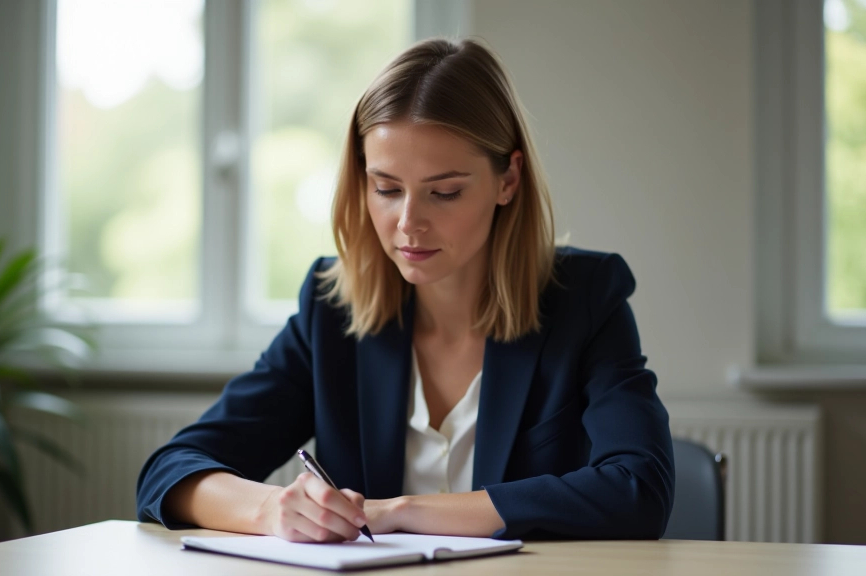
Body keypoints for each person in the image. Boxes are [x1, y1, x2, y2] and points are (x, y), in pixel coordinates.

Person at [136, 38, 674, 543]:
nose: (408, 223)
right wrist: (271, 509)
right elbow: (171, 471)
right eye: (387, 188)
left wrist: (401, 511)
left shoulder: (585, 298)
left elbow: (640, 488)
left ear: (508, 180)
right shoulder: (331, 310)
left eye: (445, 192)